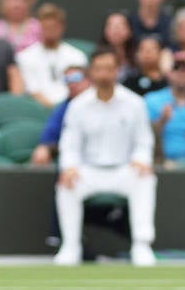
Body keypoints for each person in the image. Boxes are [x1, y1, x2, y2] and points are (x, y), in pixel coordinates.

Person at [53, 48, 157, 266]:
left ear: (117, 71)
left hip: (124, 170)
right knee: (66, 184)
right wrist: (69, 167)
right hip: (88, 171)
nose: (104, 74)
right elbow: (70, 144)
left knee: (146, 179)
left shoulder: (135, 103)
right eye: (99, 69)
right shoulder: (78, 106)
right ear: (91, 72)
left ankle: (141, 245)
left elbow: (143, 141)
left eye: (109, 69)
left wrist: (141, 160)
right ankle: (71, 246)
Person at [17, 4, 88, 111]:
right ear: (39, 27)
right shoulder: (25, 57)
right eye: (46, 27)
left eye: (54, 27)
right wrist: (52, 108)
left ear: (62, 27)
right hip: (37, 110)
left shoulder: (77, 57)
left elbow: (79, 88)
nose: (50, 31)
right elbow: (32, 90)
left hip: (71, 108)